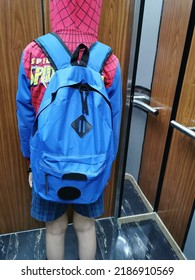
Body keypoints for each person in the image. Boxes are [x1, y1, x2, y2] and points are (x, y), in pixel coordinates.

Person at [16, 0, 122, 260]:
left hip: (48, 163)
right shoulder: (109, 60)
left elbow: (26, 115)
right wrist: (107, 165)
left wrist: (30, 161)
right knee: (86, 227)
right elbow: (114, 121)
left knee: (54, 229)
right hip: (93, 163)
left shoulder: (33, 52)